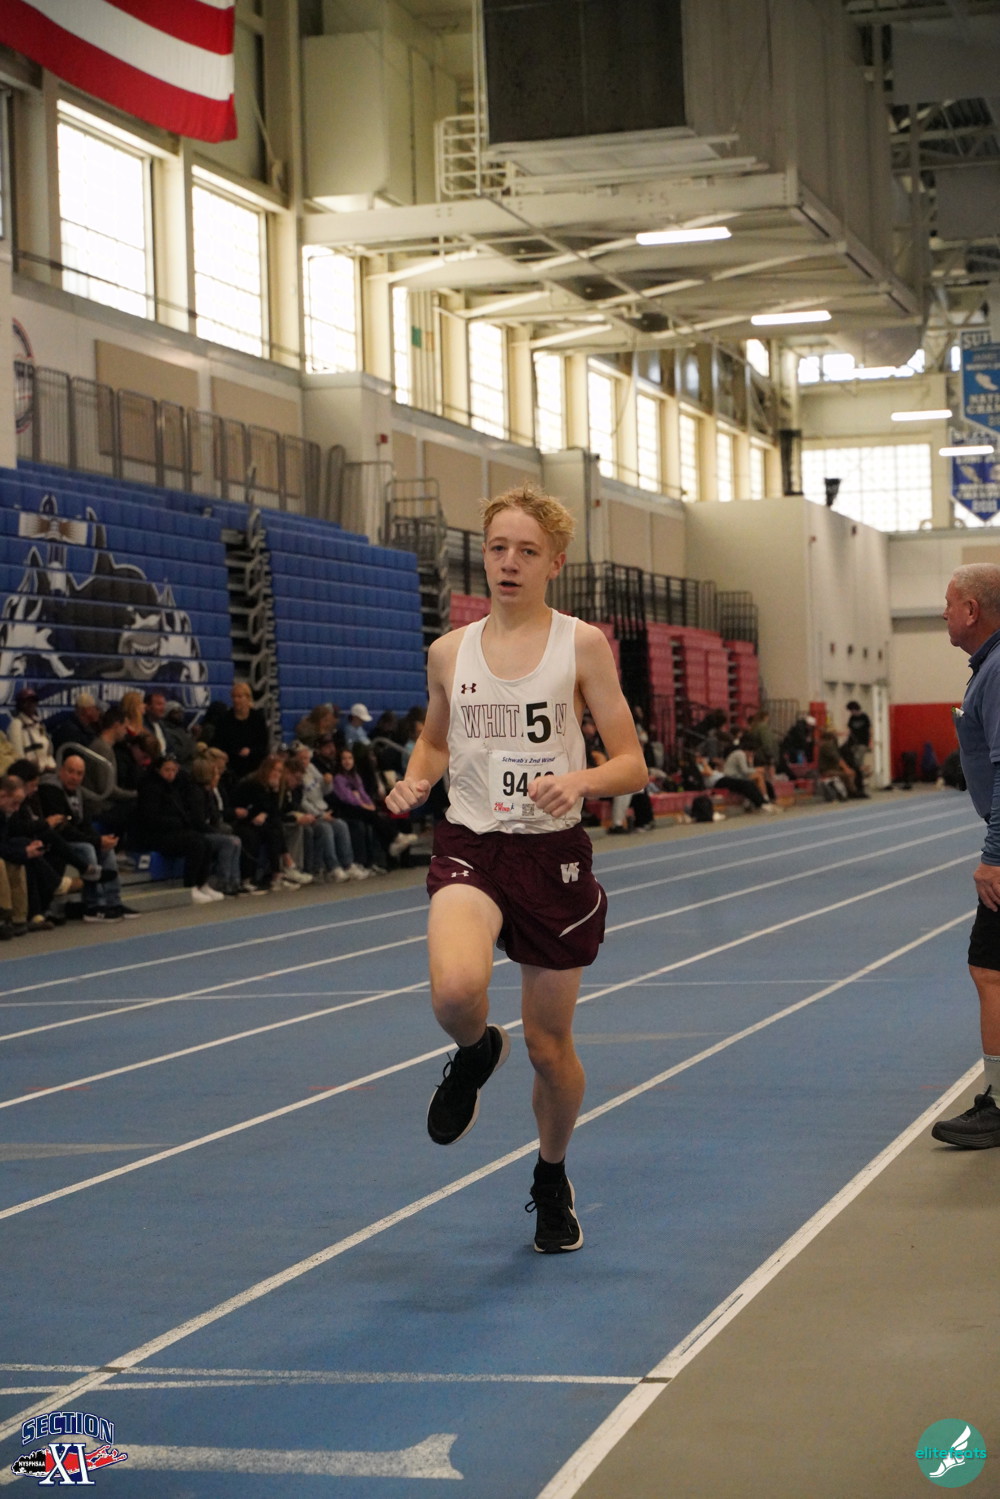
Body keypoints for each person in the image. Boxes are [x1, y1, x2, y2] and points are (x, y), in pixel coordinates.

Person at [385, 483, 647, 1253]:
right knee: (455, 991)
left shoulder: (582, 645)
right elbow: (435, 739)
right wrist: (417, 778)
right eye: (498, 547)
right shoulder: (449, 652)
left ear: (554, 563)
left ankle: (551, 1174)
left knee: (547, 1045)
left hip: (551, 855)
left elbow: (632, 764)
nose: (509, 562)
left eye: (527, 551)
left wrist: (581, 780)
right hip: (472, 842)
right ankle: (474, 1049)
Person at [932, 565, 1000, 1147]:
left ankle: (998, 1103)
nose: (945, 614)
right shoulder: (989, 668)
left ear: (972, 610)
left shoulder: (997, 670)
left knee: (990, 971)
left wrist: (995, 855)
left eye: (950, 604)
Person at [214, 681, 271, 777]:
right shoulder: (225, 719)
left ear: (248, 698)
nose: (236, 700)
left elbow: (263, 745)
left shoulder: (258, 719)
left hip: (253, 765)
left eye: (239, 697)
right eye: (234, 697)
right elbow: (218, 743)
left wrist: (250, 751)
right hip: (231, 766)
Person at [7, 688, 56, 772]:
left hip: (49, 770)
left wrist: (51, 766)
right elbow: (19, 758)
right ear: (20, 704)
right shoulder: (16, 725)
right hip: (31, 774)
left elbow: (47, 751)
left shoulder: (38, 723)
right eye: (26, 701)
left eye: (33, 701)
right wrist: (40, 768)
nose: (31, 704)